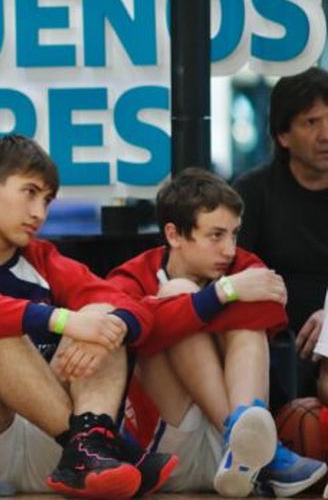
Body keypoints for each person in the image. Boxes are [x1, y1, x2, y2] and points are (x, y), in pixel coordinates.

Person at [0, 134, 170, 499]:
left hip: (47, 440)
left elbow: (135, 307)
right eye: (30, 193)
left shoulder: (43, 257)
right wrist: (61, 320)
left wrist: (112, 325)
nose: (40, 213)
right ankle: (93, 444)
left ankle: (89, 444)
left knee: (102, 315)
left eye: (47, 200)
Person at [108, 167, 326, 497]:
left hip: (230, 465)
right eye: (216, 235)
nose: (229, 249)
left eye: (235, 234)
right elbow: (130, 329)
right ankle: (249, 443)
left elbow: (272, 310)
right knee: (176, 293)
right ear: (174, 234)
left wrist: (198, 309)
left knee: (243, 324)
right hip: (164, 451)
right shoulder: (132, 275)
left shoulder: (242, 264)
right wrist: (221, 294)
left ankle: (244, 440)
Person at [234, 67, 328, 365]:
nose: (325, 135)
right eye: (311, 122)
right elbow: (235, 273)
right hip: (273, 336)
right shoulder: (252, 191)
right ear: (283, 135)